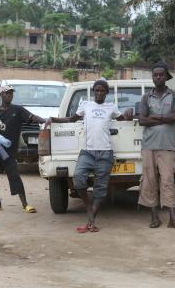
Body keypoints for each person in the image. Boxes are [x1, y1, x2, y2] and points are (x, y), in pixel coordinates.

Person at [45, 79, 133, 232]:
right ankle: (89, 208)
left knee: (100, 187)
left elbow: (123, 120)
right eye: (97, 90)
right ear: (94, 92)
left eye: (102, 91)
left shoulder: (111, 107)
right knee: (78, 178)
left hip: (105, 152)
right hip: (87, 152)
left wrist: (129, 114)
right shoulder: (86, 105)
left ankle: (92, 219)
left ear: (106, 93)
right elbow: (72, 119)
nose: (99, 93)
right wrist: (54, 119)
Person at [0, 84, 47, 213]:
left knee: (14, 176)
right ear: (1, 95)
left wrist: (43, 120)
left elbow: (31, 117)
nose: (10, 96)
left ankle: (25, 204)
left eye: (11, 93)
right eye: (7, 93)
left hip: (9, 152)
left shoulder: (17, 110)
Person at [138, 62, 175, 229]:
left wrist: (155, 118)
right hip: (149, 146)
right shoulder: (145, 97)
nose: (158, 77)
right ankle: (154, 217)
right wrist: (163, 117)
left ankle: (173, 218)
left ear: (166, 77)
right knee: (150, 180)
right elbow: (142, 120)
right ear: (152, 77)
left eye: (161, 74)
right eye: (155, 75)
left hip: (167, 146)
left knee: (168, 180)